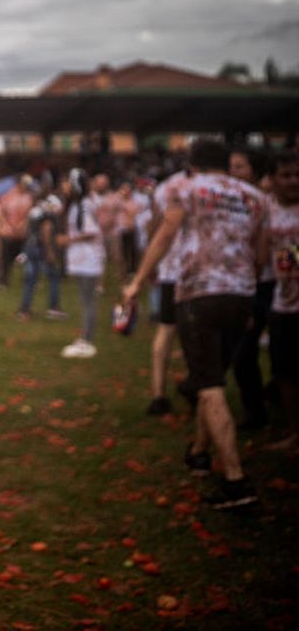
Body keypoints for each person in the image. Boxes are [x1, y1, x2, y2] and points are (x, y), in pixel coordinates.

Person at [123, 139, 267, 510]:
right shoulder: (255, 197)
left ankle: (236, 481)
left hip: (199, 293)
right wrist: (249, 296)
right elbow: (261, 251)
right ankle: (200, 451)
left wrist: (138, 280)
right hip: (241, 293)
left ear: (194, 164)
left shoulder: (185, 189)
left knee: (208, 383)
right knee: (213, 375)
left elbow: (167, 233)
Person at [229, 147, 273, 431]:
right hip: (247, 284)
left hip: (271, 284)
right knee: (243, 353)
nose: (234, 172)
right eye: (231, 167)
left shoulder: (269, 203)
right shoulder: (232, 202)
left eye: (240, 166)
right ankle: (255, 408)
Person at [145, 166, 189, 415]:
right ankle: (196, 386)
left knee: (166, 329)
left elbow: (154, 227)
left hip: (171, 270)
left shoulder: (164, 188)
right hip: (195, 274)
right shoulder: (216, 185)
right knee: (189, 332)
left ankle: (158, 394)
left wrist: (149, 263)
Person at [265, 150, 299, 453]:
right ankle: (294, 433)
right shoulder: (267, 210)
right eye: (286, 175)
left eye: (297, 175)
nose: (293, 181)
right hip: (283, 303)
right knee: (286, 374)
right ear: (274, 179)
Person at [60, 170, 105, 359]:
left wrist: (69, 239)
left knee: (88, 301)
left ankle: (87, 340)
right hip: (84, 259)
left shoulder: (84, 205)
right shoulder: (80, 203)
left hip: (88, 259)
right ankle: (85, 337)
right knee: (85, 299)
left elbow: (91, 231)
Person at [16, 180, 66, 321]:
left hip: (30, 246)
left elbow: (25, 228)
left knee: (30, 280)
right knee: (54, 277)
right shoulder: (49, 209)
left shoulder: (34, 209)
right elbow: (46, 229)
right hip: (41, 247)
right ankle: (54, 308)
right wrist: (50, 250)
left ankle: (24, 311)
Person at [0, 175, 34, 288]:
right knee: (5, 257)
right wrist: (8, 226)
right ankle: (3, 281)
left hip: (23, 232)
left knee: (25, 256)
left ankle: (29, 279)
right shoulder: (7, 196)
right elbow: (1, 213)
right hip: (7, 231)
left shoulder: (29, 197)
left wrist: (23, 225)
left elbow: (29, 214)